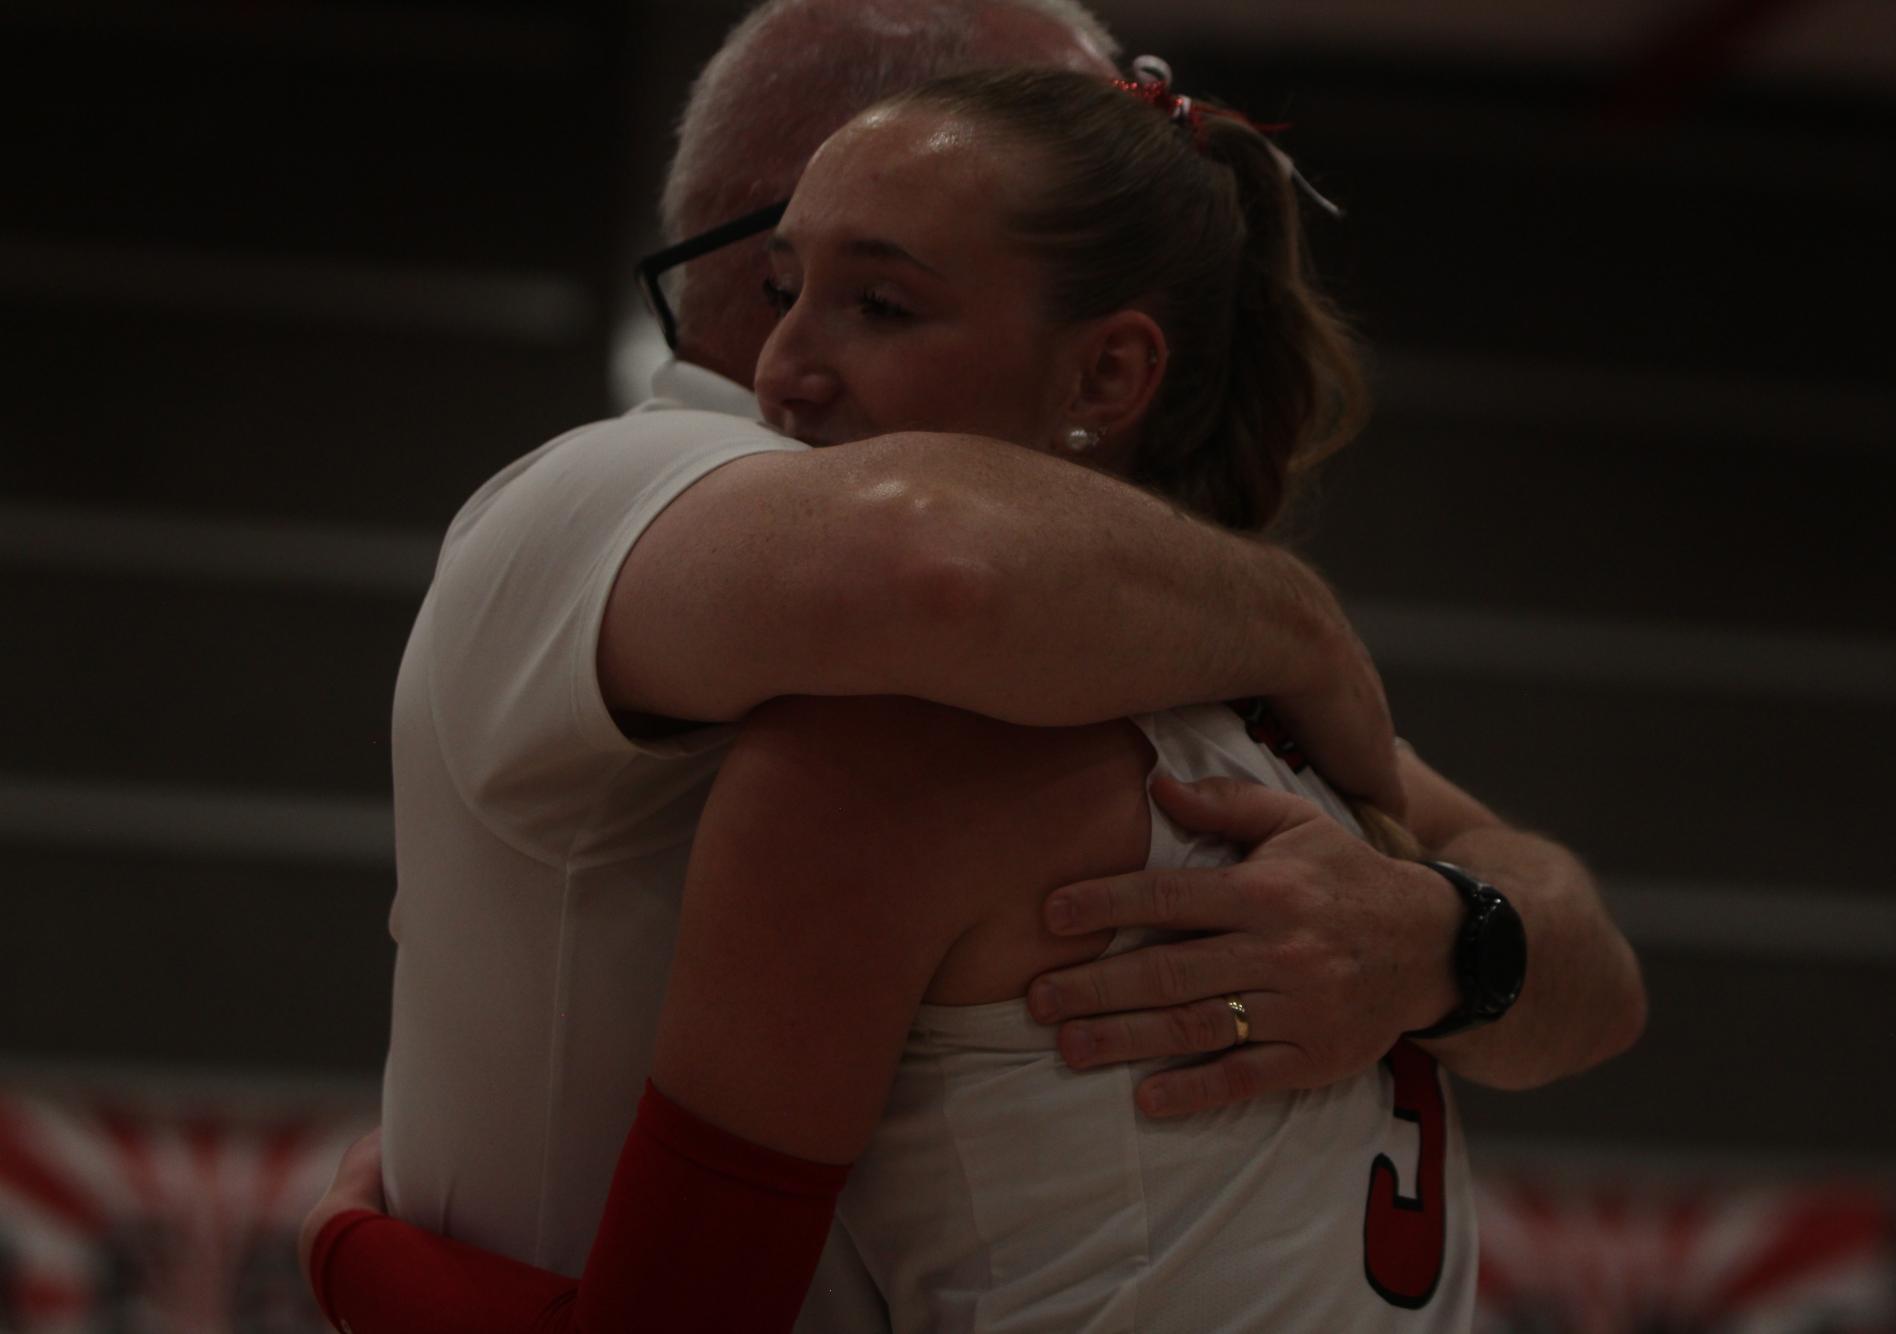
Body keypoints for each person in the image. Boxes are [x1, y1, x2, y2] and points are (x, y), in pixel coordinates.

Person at [303, 62, 1635, 1332]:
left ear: (1107, 376)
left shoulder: (893, 752)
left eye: (880, 306)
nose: (783, 367)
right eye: (783, 289)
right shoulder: (1284, 735)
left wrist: (346, 1245)